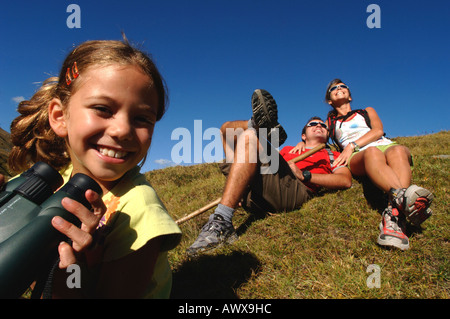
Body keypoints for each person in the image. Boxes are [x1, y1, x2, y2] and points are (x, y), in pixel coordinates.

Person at [5, 38, 182, 298]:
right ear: (59, 117)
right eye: (102, 109)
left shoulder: (138, 208)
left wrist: (72, 278)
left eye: (142, 118)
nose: (122, 130)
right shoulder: (50, 179)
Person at [187, 89, 352, 256]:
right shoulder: (289, 150)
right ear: (303, 135)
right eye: (313, 124)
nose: (319, 126)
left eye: (323, 125)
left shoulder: (332, 154)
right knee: (226, 131)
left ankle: (221, 221)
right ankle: (256, 124)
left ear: (328, 133)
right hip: (265, 185)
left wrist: (305, 175)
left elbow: (345, 180)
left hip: (295, 189)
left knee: (250, 137)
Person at [291, 79, 433, 250]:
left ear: (350, 96)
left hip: (382, 144)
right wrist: (302, 144)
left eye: (343, 86)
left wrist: (352, 144)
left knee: (399, 150)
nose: (339, 89)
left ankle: (395, 215)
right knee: (372, 153)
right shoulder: (330, 122)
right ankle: (404, 199)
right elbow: (317, 136)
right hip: (359, 156)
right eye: (333, 89)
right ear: (329, 100)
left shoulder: (366, 111)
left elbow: (378, 131)